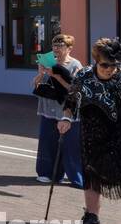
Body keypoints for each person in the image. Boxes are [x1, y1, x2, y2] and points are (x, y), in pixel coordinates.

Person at [57, 37, 121, 224]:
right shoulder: (84, 76)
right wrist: (65, 118)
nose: (110, 69)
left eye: (114, 65)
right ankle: (92, 216)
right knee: (91, 174)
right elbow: (71, 101)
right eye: (105, 65)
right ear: (96, 61)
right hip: (91, 133)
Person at [32, 34, 83, 188]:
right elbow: (36, 86)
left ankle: (75, 176)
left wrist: (56, 76)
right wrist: (41, 74)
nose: (56, 49)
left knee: (70, 145)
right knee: (47, 142)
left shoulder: (75, 65)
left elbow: (75, 90)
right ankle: (46, 173)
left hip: (66, 111)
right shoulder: (46, 62)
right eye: (54, 45)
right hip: (48, 108)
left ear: (69, 48)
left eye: (60, 46)